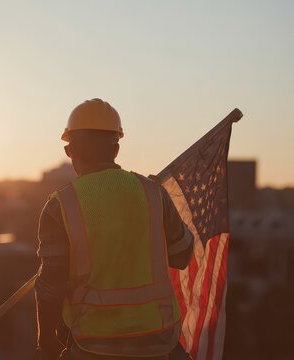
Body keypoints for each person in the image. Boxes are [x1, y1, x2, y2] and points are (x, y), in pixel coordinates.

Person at [35, 99, 194, 360]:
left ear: (70, 150)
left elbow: (52, 285)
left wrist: (46, 340)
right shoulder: (152, 193)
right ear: (116, 149)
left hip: (95, 346)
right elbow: (182, 255)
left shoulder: (61, 206)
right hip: (159, 342)